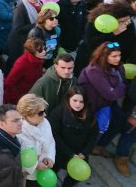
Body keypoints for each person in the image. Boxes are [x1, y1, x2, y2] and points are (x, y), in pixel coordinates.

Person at [78, 42, 131, 174]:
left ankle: (99, 147)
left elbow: (115, 88)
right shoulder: (93, 70)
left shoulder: (117, 67)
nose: (118, 59)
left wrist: (117, 87)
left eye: (119, 55)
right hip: (91, 107)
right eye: (114, 56)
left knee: (120, 122)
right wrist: (122, 86)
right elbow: (111, 93)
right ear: (104, 56)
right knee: (90, 132)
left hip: (105, 104)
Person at [48, 86, 99, 187]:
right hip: (59, 152)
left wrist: (84, 153)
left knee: (74, 178)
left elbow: (93, 135)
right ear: (68, 99)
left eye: (81, 101)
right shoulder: (59, 112)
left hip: (80, 154)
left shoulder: (89, 114)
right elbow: (54, 135)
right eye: (75, 100)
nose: (78, 104)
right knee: (52, 172)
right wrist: (70, 154)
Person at [16, 94, 56, 185]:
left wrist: (50, 158)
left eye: (44, 111)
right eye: (41, 113)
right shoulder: (18, 131)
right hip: (26, 176)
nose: (45, 115)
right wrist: (34, 166)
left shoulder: (45, 123)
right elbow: (15, 156)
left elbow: (51, 142)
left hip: (44, 172)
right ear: (27, 114)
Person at [3, 39, 46, 104]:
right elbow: (9, 83)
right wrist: (18, 99)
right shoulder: (22, 63)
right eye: (40, 50)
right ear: (32, 51)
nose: (44, 52)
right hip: (18, 100)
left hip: (30, 97)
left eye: (44, 49)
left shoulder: (38, 60)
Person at [7, 0, 42, 66]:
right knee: (15, 65)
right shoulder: (20, 8)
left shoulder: (39, 4)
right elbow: (18, 28)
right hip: (18, 42)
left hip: (29, 39)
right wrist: (37, 24)